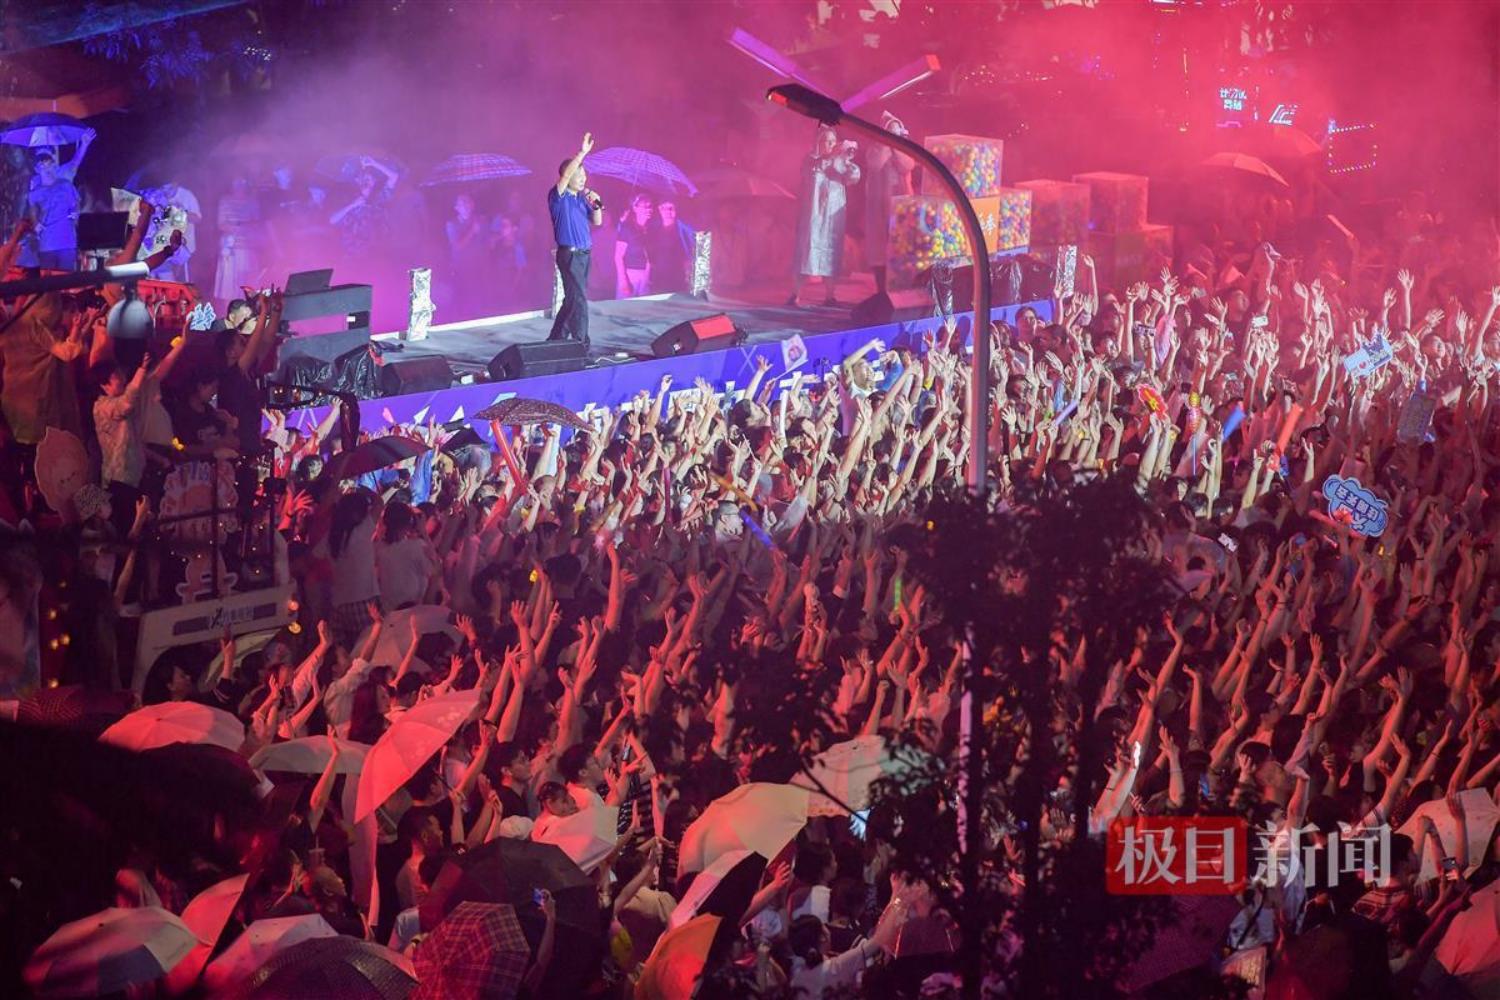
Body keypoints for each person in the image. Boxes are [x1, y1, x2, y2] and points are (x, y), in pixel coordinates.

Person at [791, 126, 861, 308]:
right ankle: (796, 294)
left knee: (831, 251)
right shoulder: (810, 161)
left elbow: (854, 177)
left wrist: (847, 161)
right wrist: (832, 159)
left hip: (832, 216)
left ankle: (830, 295)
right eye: (827, 141)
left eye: (833, 141)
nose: (831, 144)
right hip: (813, 215)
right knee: (807, 251)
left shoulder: (840, 161)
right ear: (819, 143)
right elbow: (814, 170)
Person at [547, 131, 604, 345]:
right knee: (579, 300)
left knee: (572, 299)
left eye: (584, 176)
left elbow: (597, 221)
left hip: (584, 255)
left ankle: (555, 340)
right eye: (578, 175)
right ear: (568, 176)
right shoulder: (558, 197)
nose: (583, 179)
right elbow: (565, 177)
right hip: (569, 255)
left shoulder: (581, 199)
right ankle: (581, 344)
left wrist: (597, 204)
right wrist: (581, 153)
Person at [863, 112, 915, 297]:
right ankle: (881, 290)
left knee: (900, 245)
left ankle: (900, 286)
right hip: (879, 205)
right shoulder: (875, 149)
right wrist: (887, 143)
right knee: (880, 248)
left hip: (901, 204)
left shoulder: (905, 149)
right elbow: (875, 164)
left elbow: (907, 165)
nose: (894, 134)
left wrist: (896, 147)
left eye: (896, 131)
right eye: (890, 131)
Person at [20, 150, 82, 271]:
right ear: (37, 169)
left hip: (67, 242)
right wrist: (36, 223)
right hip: (46, 244)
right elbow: (32, 211)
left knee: (67, 279)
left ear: (54, 166)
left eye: (49, 164)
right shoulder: (34, 193)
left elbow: (76, 203)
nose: (47, 169)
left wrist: (76, 213)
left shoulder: (66, 185)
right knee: (48, 280)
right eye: (42, 166)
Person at [330, 157, 399, 260]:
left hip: (376, 255)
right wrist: (352, 205)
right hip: (351, 255)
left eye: (370, 179)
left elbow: (394, 176)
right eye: (363, 178)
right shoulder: (348, 199)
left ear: (375, 181)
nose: (367, 181)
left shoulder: (380, 198)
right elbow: (332, 220)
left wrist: (374, 163)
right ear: (357, 181)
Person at [140, 181, 202, 283]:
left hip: (170, 252)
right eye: (163, 189)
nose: (165, 192)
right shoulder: (147, 207)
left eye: (157, 197)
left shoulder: (183, 197)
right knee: (149, 281)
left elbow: (195, 219)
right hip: (150, 256)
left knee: (172, 279)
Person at [214, 175, 263, 303]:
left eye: (242, 182)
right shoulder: (225, 201)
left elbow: (257, 224)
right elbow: (221, 224)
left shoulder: (252, 202)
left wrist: (245, 227)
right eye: (236, 182)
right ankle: (230, 310)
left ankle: (248, 309)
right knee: (228, 285)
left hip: (247, 247)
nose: (239, 185)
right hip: (229, 248)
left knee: (246, 282)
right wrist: (234, 228)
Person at [445, 192, 489, 317]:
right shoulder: (452, 224)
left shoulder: (480, 221)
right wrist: (472, 231)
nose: (465, 205)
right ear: (456, 208)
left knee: (478, 299)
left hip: (478, 267)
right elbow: (457, 246)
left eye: (467, 202)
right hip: (461, 268)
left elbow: (486, 242)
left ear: (472, 205)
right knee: (462, 299)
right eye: (462, 203)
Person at [649, 199, 696, 294]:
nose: (668, 211)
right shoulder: (653, 228)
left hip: (678, 279)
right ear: (659, 209)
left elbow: (693, 252)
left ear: (676, 210)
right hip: (658, 278)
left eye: (671, 208)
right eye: (664, 208)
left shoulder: (685, 230)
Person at [614, 193, 654, 298]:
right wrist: (623, 281)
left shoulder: (650, 230)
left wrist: (648, 277)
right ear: (635, 208)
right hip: (630, 274)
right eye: (645, 206)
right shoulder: (627, 228)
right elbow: (618, 256)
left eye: (650, 206)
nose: (649, 209)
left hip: (646, 276)